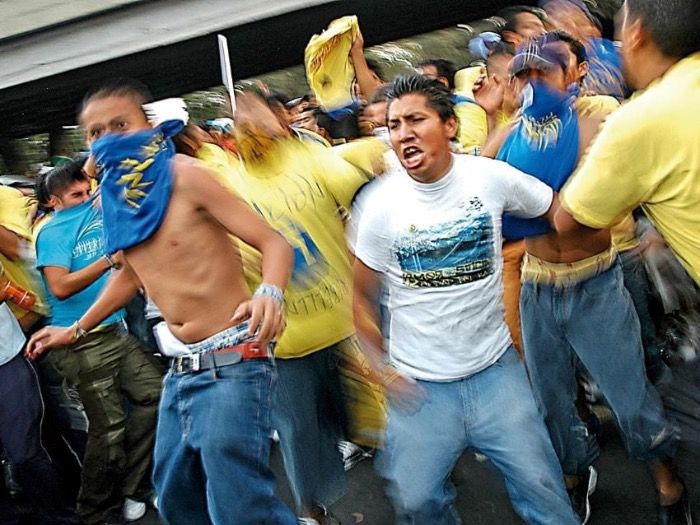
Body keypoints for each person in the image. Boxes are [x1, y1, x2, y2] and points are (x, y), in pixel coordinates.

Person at [26, 78, 297, 525]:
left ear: (146, 126)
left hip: (233, 358)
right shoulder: (115, 201)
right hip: (181, 368)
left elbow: (274, 244)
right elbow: (131, 275)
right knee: (175, 498)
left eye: (120, 124)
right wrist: (75, 329)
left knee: (239, 507)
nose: (108, 138)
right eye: (95, 132)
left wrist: (270, 292)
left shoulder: (185, 177)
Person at [353, 74, 578, 525]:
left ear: (450, 125)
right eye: (394, 125)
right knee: (417, 504)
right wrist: (382, 371)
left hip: (496, 375)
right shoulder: (378, 206)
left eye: (416, 119)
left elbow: (555, 209)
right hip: (420, 392)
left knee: (545, 495)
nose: (403, 134)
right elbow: (360, 295)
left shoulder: (490, 178)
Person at [495, 33, 686, 524]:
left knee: (629, 399)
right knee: (552, 402)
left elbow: (635, 185)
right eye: (523, 75)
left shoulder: (600, 128)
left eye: (545, 71)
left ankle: (669, 485)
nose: (533, 84)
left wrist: (657, 232)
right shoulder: (505, 140)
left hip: (596, 283)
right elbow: (484, 207)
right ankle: (575, 477)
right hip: (538, 288)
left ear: (575, 73)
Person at [554, 1, 700, 521]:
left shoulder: (636, 119)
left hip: (608, 271)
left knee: (665, 395)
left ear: (635, 35)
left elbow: (569, 217)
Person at [34, 161, 163, 524]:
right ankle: (93, 511)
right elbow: (60, 286)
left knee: (156, 396)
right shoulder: (52, 232)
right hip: (79, 341)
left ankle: (133, 487)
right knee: (108, 431)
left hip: (115, 330)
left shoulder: (100, 211)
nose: (86, 197)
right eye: (76, 194)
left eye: (87, 190)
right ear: (54, 201)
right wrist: (109, 261)